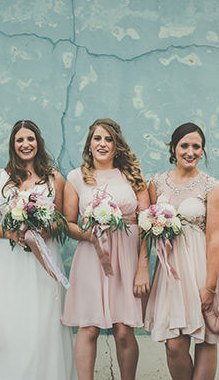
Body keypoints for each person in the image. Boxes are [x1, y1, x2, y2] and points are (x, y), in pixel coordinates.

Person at [0, 120, 76, 380]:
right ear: (13, 145)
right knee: (9, 324)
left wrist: (46, 230)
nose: (26, 144)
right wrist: (11, 233)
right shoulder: (1, 177)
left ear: (38, 142)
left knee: (44, 324)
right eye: (20, 140)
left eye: (30, 139)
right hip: (7, 261)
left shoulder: (54, 177)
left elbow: (64, 219)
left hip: (44, 258)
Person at [61, 118, 150, 380]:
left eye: (108, 139)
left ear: (116, 145)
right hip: (92, 257)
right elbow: (68, 225)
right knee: (88, 328)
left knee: (124, 329)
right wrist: (91, 235)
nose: (102, 143)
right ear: (89, 144)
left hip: (128, 258)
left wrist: (143, 266)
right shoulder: (76, 177)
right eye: (97, 138)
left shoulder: (133, 174)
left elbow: (146, 222)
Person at [144, 122, 219, 380]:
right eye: (184, 145)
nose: (190, 151)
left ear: (202, 151)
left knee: (206, 337)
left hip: (203, 267)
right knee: (174, 346)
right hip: (170, 272)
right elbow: (145, 228)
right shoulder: (157, 183)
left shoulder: (211, 186)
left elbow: (214, 238)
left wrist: (210, 285)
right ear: (173, 148)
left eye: (196, 146)